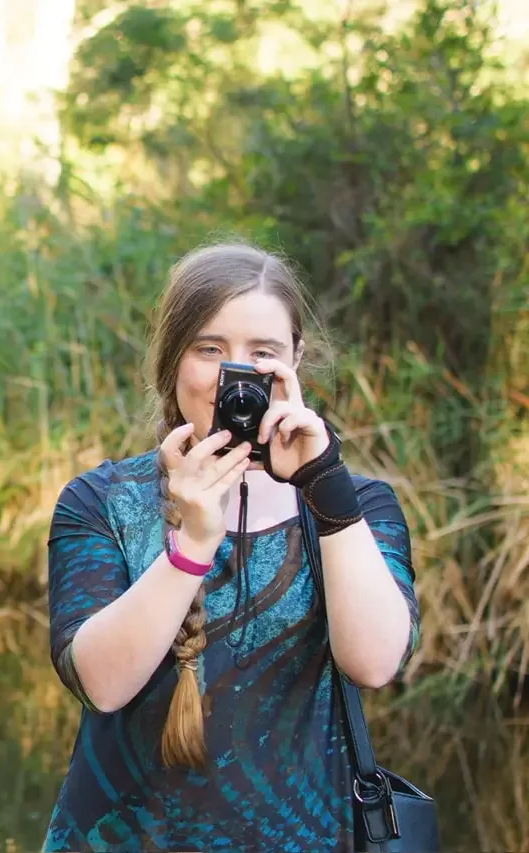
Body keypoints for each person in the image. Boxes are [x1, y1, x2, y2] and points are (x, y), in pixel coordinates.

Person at [43, 242, 421, 852]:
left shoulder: (358, 505)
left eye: (261, 354)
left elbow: (376, 663)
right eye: (210, 349)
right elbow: (102, 684)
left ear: (294, 362)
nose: (234, 376)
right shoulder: (100, 502)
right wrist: (192, 543)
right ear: (173, 361)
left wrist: (324, 487)